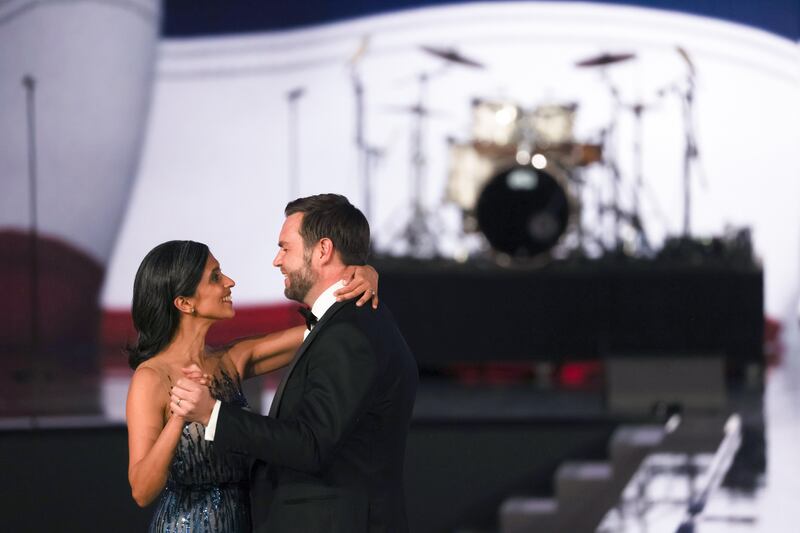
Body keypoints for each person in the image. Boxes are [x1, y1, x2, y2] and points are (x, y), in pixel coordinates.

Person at [172, 194, 419, 533]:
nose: (277, 260)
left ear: (323, 250)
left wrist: (211, 414)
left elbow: (311, 443)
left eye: (285, 248)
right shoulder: (345, 325)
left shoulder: (348, 333)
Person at [125, 239, 379, 532]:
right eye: (215, 276)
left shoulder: (232, 360)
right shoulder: (151, 378)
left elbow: (321, 330)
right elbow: (141, 491)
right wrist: (181, 416)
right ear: (184, 303)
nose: (230, 282)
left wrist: (367, 274)